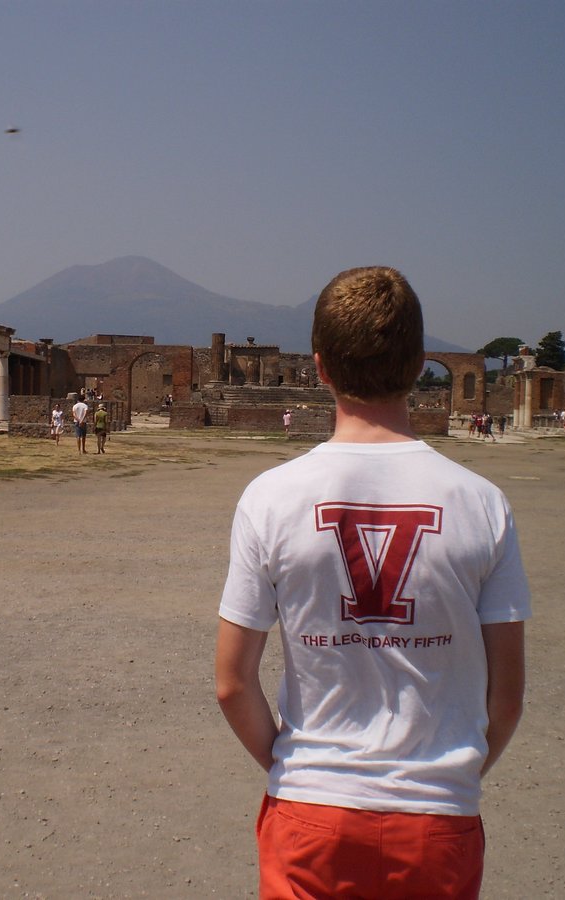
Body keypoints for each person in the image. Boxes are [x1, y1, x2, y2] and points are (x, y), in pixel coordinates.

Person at [215, 266, 530, 899]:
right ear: (420, 365)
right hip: (438, 817)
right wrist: (455, 776)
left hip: (310, 814)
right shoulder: (483, 504)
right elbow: (508, 692)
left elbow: (231, 684)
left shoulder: (270, 499)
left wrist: (297, 770)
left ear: (321, 367)